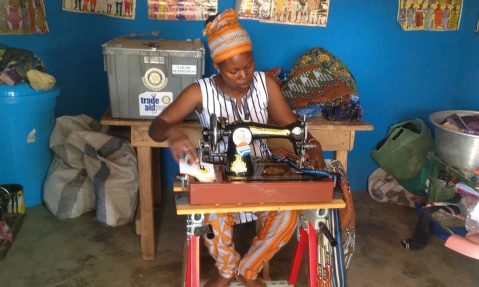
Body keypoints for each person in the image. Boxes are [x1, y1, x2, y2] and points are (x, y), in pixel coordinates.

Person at [149, 9, 325, 287]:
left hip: (262, 179)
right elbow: (157, 125)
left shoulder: (266, 85)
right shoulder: (200, 91)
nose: (244, 76)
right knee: (214, 214)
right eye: (234, 71)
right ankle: (226, 271)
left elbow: (292, 126)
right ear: (218, 67)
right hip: (218, 181)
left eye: (249, 66)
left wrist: (311, 142)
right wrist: (173, 132)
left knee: (288, 214)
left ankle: (248, 270)